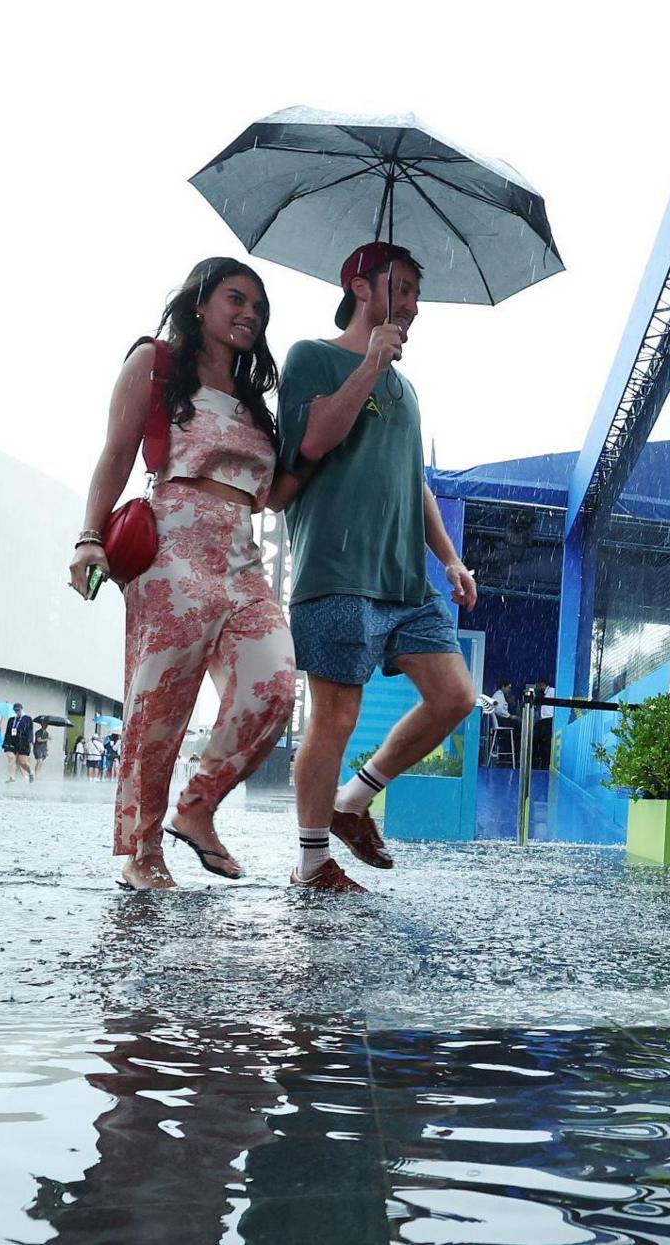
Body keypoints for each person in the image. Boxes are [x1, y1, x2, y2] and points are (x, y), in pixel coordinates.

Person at [70, 257, 302, 892]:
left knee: (276, 684)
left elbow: (275, 493)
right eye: (236, 298)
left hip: (241, 556)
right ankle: (142, 852)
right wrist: (90, 537)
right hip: (172, 547)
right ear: (200, 303)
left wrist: (332, 435)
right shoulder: (156, 364)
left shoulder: (257, 404)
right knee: (160, 708)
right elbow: (116, 454)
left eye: (260, 307)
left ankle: (197, 806)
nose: (250, 313)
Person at [277, 242, 479, 893]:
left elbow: (411, 479)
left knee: (455, 696)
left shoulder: (407, 388)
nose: (415, 305)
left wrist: (449, 557)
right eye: (404, 288)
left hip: (405, 578)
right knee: (334, 715)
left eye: (418, 292)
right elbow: (313, 438)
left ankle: (354, 798)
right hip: (336, 567)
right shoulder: (312, 357)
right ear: (360, 286)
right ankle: (310, 863)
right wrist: (368, 365)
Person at [3, 706, 35, 784]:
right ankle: (12, 777)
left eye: (18, 710)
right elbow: (7, 731)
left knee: (22, 762)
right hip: (12, 741)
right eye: (15, 710)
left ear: (21, 709)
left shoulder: (27, 718)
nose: (17, 711)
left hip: (23, 742)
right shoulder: (11, 719)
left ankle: (30, 771)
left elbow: (30, 730)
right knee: (11, 757)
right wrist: (5, 742)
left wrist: (30, 740)